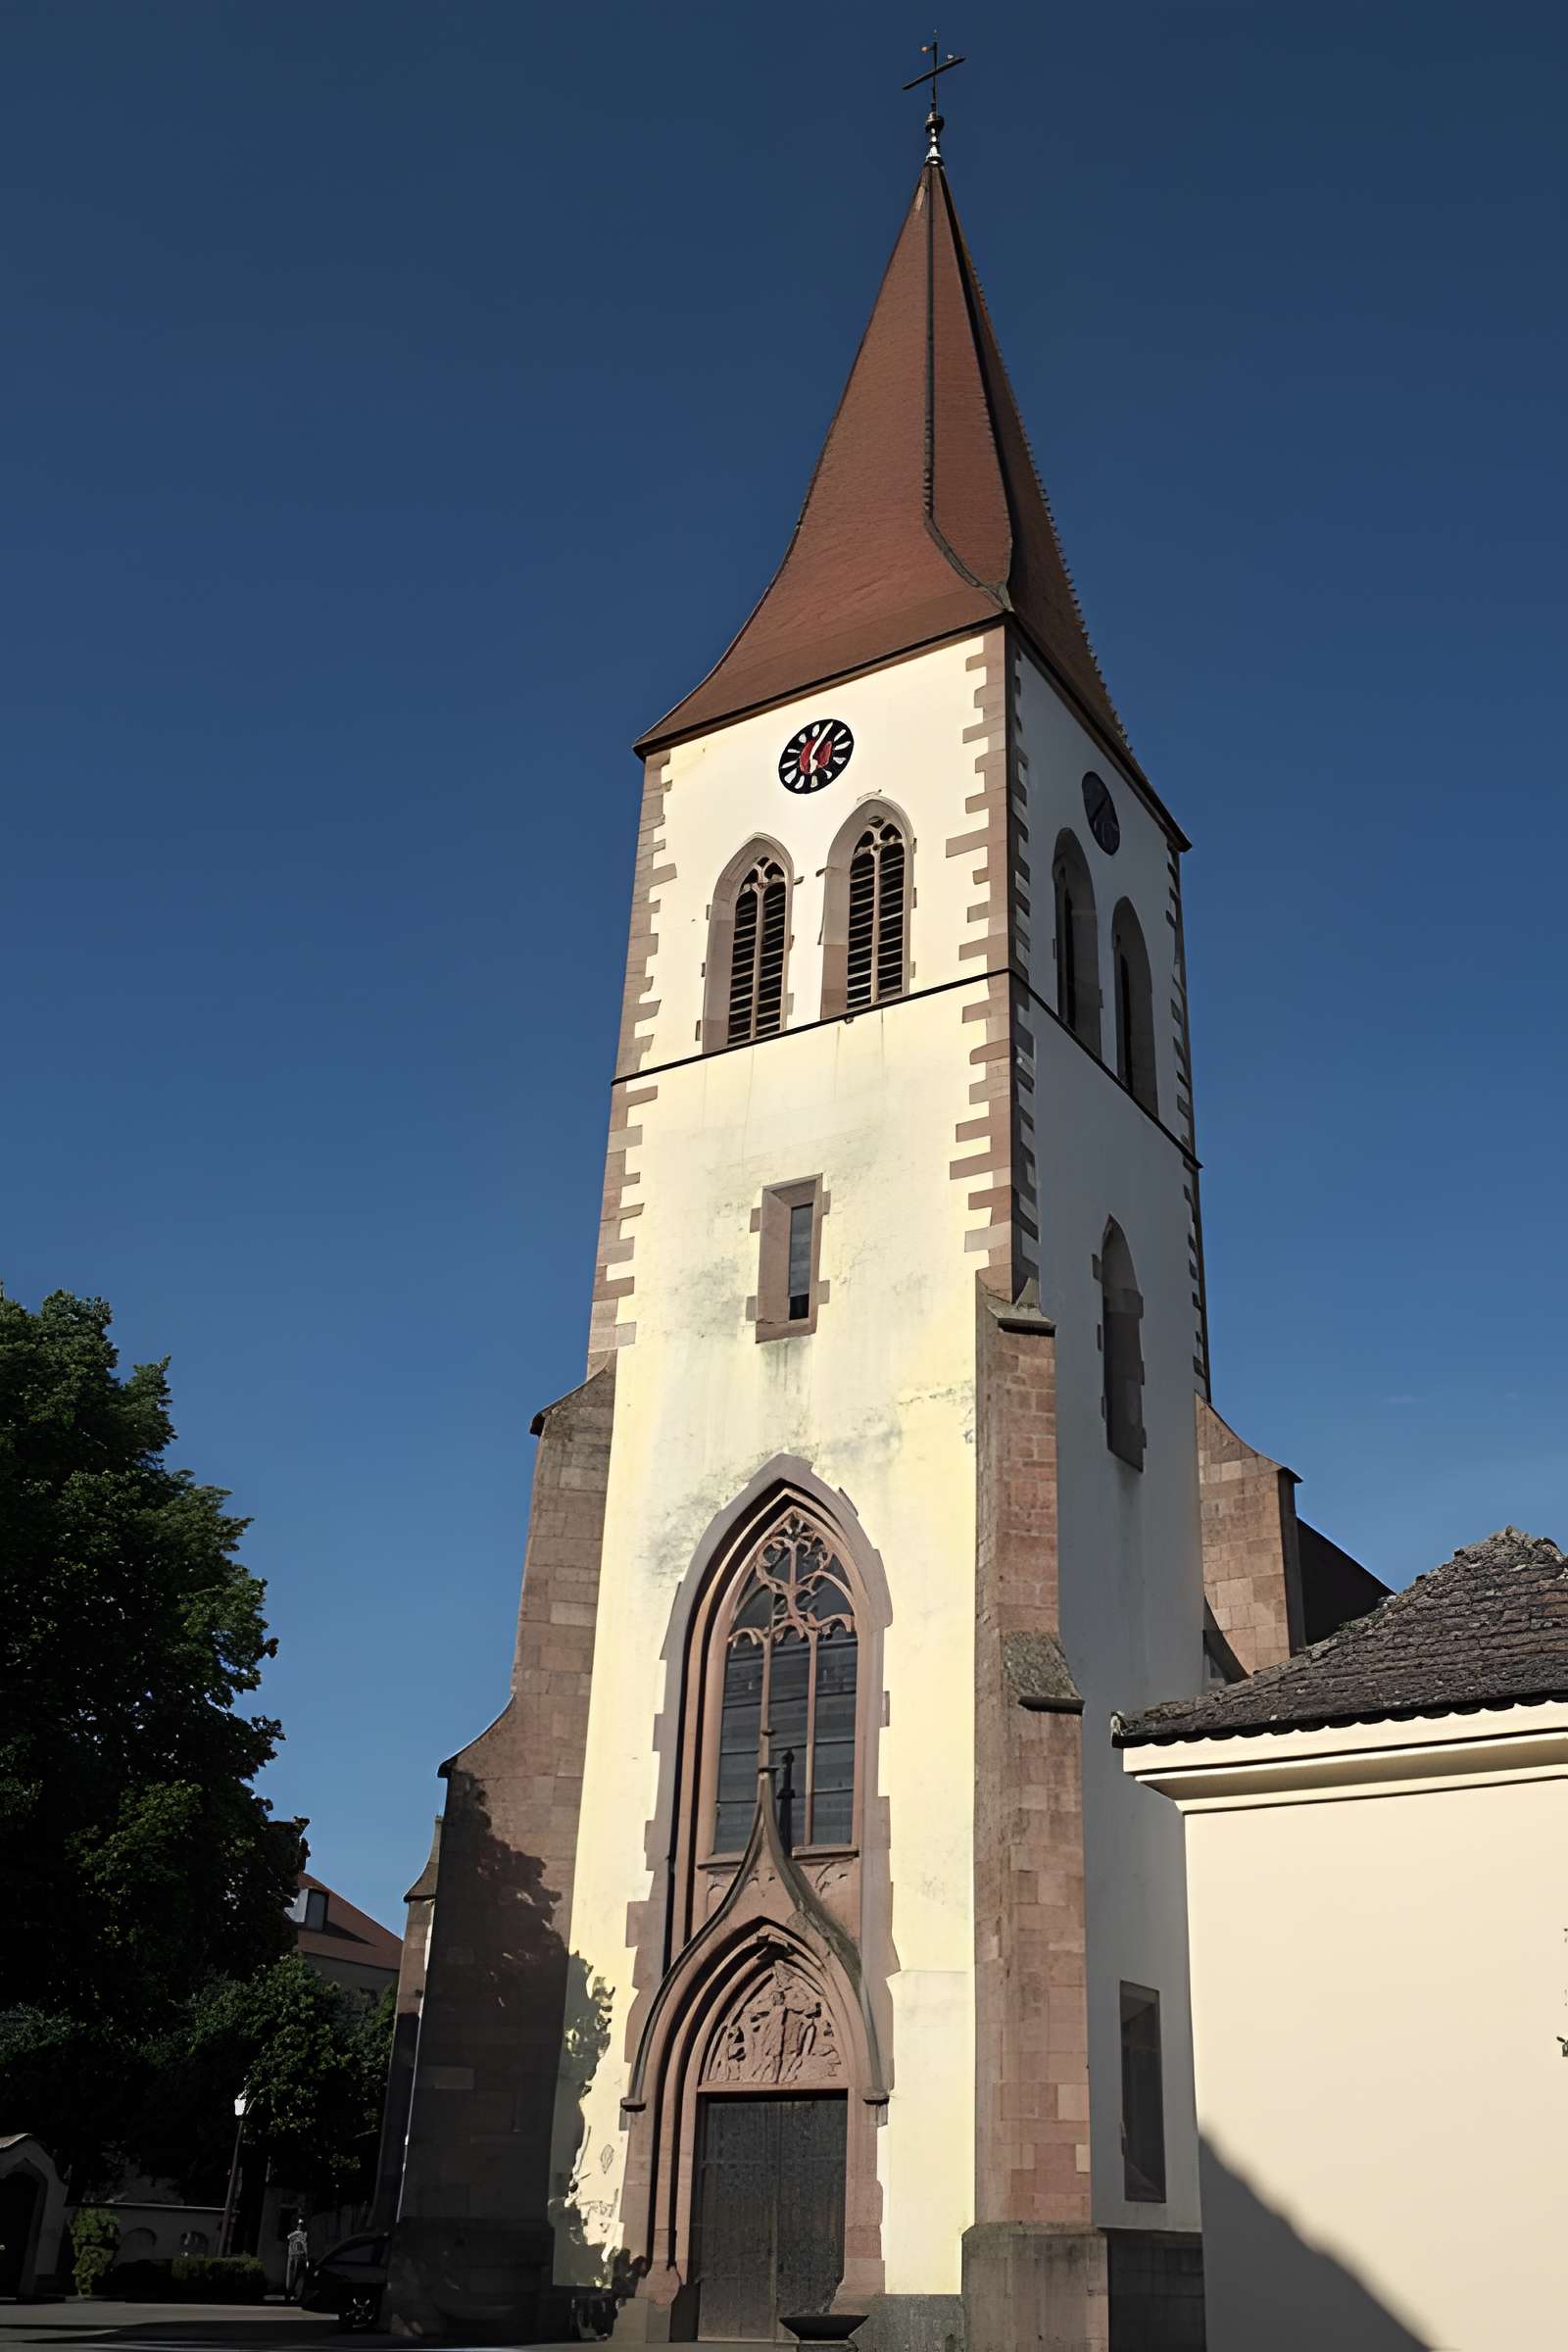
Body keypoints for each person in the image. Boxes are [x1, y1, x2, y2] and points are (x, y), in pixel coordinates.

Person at [285, 2221, 310, 2303]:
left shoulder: (303, 2234)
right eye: (299, 2225)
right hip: (294, 2256)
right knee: (293, 2275)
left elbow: (305, 2246)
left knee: (297, 2275)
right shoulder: (295, 2234)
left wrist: (306, 2258)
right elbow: (289, 2237)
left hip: (299, 2256)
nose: (299, 2227)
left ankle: (295, 2294)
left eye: (300, 2225)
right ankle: (291, 2293)